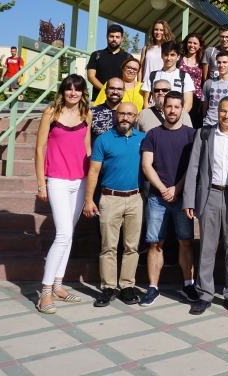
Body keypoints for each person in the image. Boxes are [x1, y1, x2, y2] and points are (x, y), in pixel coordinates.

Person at [182, 96, 228, 315]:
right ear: (217, 111)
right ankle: (205, 294)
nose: (227, 116)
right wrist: (189, 199)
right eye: (223, 111)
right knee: (207, 247)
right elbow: (193, 167)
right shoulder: (205, 134)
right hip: (210, 194)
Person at [34, 75, 91, 313]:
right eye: (69, 89)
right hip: (57, 178)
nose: (73, 93)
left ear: (82, 92)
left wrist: (91, 186)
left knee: (69, 235)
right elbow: (39, 149)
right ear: (63, 91)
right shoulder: (50, 112)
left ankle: (58, 284)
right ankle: (45, 291)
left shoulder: (86, 114)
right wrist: (41, 183)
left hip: (80, 180)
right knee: (64, 233)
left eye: (77, 89)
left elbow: (87, 148)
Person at [82, 102, 144, 308]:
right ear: (116, 115)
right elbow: (93, 172)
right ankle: (108, 287)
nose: (126, 117)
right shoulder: (103, 139)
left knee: (132, 246)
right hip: (110, 198)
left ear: (136, 117)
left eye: (130, 114)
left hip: (135, 198)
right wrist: (89, 200)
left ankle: (127, 286)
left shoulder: (143, 140)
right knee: (108, 246)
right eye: (122, 113)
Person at [139, 91, 198, 306]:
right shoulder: (153, 134)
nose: (172, 110)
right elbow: (147, 165)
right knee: (155, 243)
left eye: (176, 106)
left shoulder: (192, 135)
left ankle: (188, 284)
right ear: (162, 108)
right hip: (157, 197)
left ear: (182, 109)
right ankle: (153, 287)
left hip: (183, 197)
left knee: (185, 242)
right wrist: (164, 189)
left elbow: (193, 167)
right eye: (168, 106)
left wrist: (176, 188)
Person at [144, 40, 196, 121]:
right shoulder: (152, 76)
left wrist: (175, 119)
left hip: (176, 121)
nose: (169, 58)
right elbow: (146, 102)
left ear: (178, 57)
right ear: (161, 56)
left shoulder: (184, 76)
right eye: (166, 55)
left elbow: (188, 104)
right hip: (154, 119)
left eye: (172, 55)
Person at [87, 24, 130, 101]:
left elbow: (130, 80)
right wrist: (106, 90)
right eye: (111, 36)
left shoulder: (128, 57)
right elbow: (91, 77)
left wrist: (117, 91)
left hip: (121, 100)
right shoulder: (96, 55)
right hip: (99, 99)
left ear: (122, 39)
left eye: (117, 37)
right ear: (107, 37)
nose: (114, 39)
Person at [202, 50, 228, 125]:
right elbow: (205, 105)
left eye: (224, 62)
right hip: (209, 124)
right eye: (219, 62)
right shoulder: (209, 83)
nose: (221, 65)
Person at [179, 33, 206, 127]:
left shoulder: (203, 62)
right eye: (189, 42)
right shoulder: (179, 59)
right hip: (181, 97)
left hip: (197, 99)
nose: (192, 45)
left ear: (199, 46)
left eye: (195, 43)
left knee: (195, 126)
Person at [139, 20, 174, 84]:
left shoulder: (169, 49)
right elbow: (140, 68)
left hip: (163, 84)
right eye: (156, 29)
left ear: (165, 32)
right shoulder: (146, 48)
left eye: (161, 30)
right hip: (146, 84)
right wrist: (139, 83)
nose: (158, 32)